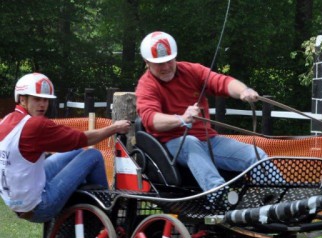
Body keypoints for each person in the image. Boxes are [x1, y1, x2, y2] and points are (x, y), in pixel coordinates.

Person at [135, 31, 271, 199]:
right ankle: (220, 197)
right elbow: (150, 120)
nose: (166, 67)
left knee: (256, 155)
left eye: (169, 61)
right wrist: (181, 119)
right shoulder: (146, 85)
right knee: (190, 143)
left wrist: (244, 91)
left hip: (208, 141)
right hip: (173, 144)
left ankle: (277, 200)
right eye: (159, 63)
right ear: (147, 62)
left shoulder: (192, 71)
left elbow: (222, 82)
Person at [0, 72, 131, 223]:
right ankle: (108, 210)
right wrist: (113, 128)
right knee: (93, 155)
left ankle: (85, 196)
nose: (43, 104)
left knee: (77, 153)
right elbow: (83, 139)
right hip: (40, 206)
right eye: (37, 99)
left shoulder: (6, 121)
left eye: (46, 100)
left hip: (16, 200)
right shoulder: (35, 125)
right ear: (22, 99)